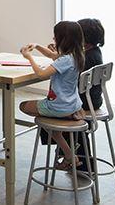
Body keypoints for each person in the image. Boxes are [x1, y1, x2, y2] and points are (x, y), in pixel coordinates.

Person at [18, 21, 86, 171]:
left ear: (63, 39)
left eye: (56, 37)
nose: (54, 39)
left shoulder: (64, 60)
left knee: (23, 106)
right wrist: (36, 46)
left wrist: (29, 57)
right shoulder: (76, 55)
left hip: (59, 106)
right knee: (54, 130)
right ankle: (70, 156)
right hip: (73, 105)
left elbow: (42, 74)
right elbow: (51, 55)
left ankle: (60, 118)